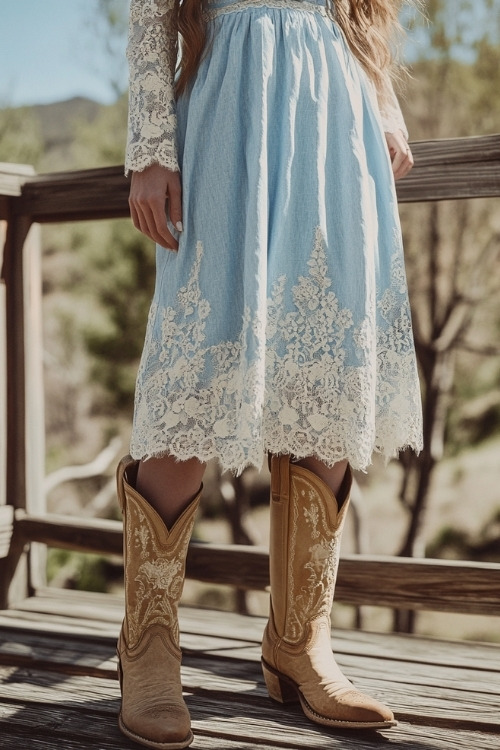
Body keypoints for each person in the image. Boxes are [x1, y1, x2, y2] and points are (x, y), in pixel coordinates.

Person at [116, 0, 423, 747]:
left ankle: (301, 642)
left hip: (338, 121)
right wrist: (152, 145)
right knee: (193, 373)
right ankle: (147, 649)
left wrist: (382, 104)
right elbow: (150, 12)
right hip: (227, 109)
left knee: (326, 375)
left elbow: (366, 12)